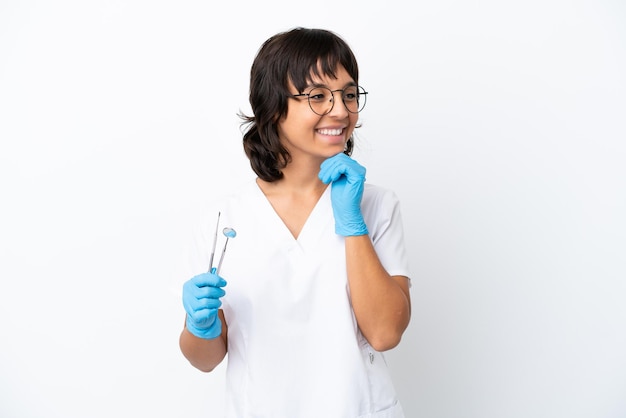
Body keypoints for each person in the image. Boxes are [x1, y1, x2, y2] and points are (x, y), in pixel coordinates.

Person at [179, 27, 412, 417]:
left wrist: (352, 224)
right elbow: (205, 359)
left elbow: (385, 333)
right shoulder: (224, 219)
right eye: (318, 96)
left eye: (349, 94)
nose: (340, 110)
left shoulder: (376, 205)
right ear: (273, 107)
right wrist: (198, 326)